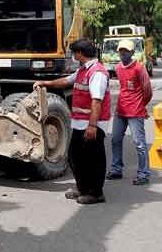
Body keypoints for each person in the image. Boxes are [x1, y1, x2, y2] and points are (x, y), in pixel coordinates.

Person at [34, 38, 111, 205]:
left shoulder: (97, 73)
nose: (73, 55)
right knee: (76, 157)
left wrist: (92, 125)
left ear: (80, 54)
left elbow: (96, 101)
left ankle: (96, 193)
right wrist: (46, 83)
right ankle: (83, 188)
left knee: (93, 159)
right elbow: (66, 81)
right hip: (80, 122)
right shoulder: (83, 70)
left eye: (74, 52)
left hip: (92, 124)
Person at [106, 39, 153, 185]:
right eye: (121, 50)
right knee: (115, 140)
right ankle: (116, 169)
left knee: (139, 143)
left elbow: (148, 91)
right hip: (121, 110)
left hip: (135, 112)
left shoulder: (139, 68)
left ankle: (143, 173)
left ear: (132, 53)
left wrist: (140, 105)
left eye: (126, 51)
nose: (122, 53)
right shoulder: (119, 68)